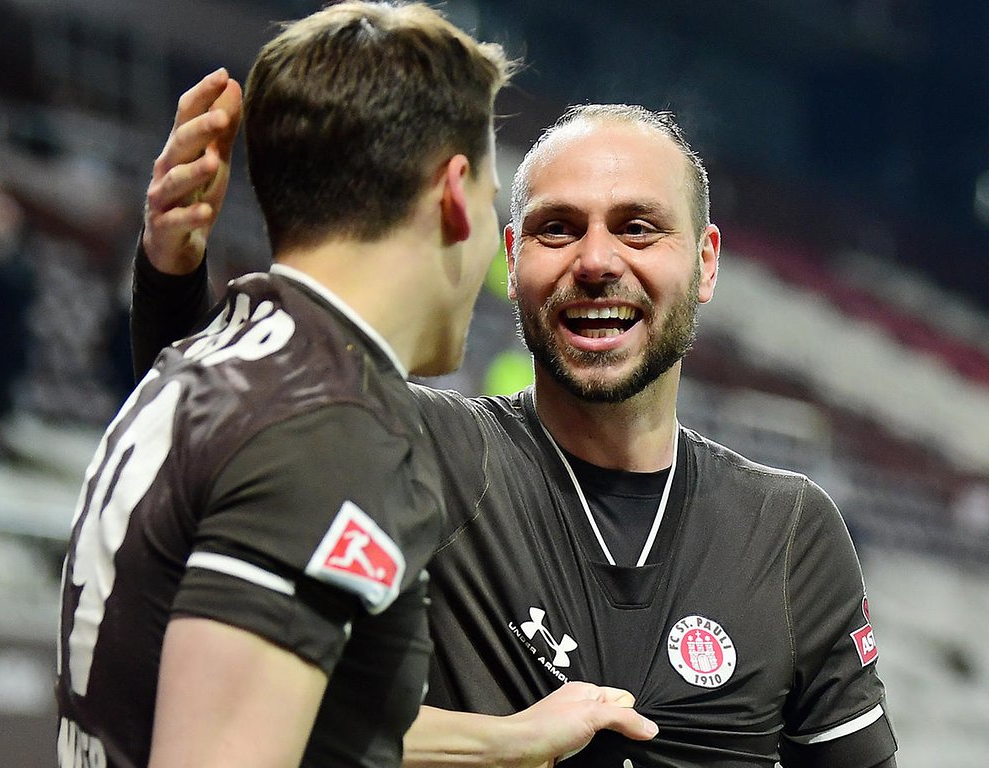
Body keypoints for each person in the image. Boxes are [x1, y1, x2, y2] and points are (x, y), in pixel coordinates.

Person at [132, 76, 899, 766]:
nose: (595, 260)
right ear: (511, 256)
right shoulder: (416, 450)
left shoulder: (791, 531)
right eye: (558, 229)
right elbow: (211, 435)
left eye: (638, 228)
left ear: (705, 263)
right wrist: (172, 270)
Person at [56, 4, 654, 767]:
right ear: (453, 192)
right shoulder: (324, 433)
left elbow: (287, 708)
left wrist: (505, 742)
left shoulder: (216, 357)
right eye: (492, 199)